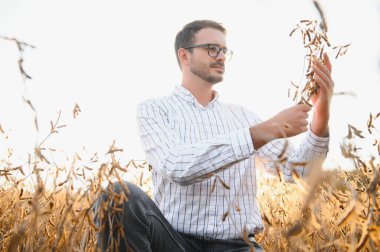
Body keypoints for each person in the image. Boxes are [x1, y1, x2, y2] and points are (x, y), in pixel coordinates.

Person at [95, 19, 333, 251]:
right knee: (118, 196)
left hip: (238, 246)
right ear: (184, 56)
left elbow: (300, 172)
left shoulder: (243, 117)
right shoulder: (154, 110)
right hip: (173, 242)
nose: (220, 56)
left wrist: (321, 116)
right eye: (211, 49)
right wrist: (261, 133)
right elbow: (178, 166)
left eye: (224, 51)